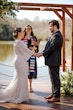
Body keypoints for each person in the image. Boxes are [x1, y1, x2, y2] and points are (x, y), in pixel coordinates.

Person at [0, 28, 40, 103]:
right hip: (20, 62)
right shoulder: (19, 42)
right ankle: (19, 96)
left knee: (19, 78)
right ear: (18, 33)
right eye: (22, 31)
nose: (23, 33)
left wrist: (34, 52)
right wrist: (38, 54)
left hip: (19, 60)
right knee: (21, 78)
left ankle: (18, 94)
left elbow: (25, 52)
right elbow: (27, 51)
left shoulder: (17, 42)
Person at [40, 20, 63, 102]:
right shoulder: (54, 35)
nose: (49, 28)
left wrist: (42, 53)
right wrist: (43, 52)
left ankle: (56, 97)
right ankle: (53, 93)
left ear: (55, 26)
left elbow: (52, 47)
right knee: (52, 78)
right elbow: (49, 47)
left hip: (54, 60)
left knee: (55, 79)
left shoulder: (57, 36)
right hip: (52, 60)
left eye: (50, 26)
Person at [22, 25, 39, 93]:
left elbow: (37, 49)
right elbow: (21, 48)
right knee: (24, 72)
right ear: (25, 30)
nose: (28, 30)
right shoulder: (22, 38)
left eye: (30, 29)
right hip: (24, 57)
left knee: (31, 73)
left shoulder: (34, 38)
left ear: (31, 30)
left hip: (32, 57)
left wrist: (34, 48)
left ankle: (30, 87)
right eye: (27, 29)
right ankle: (24, 87)